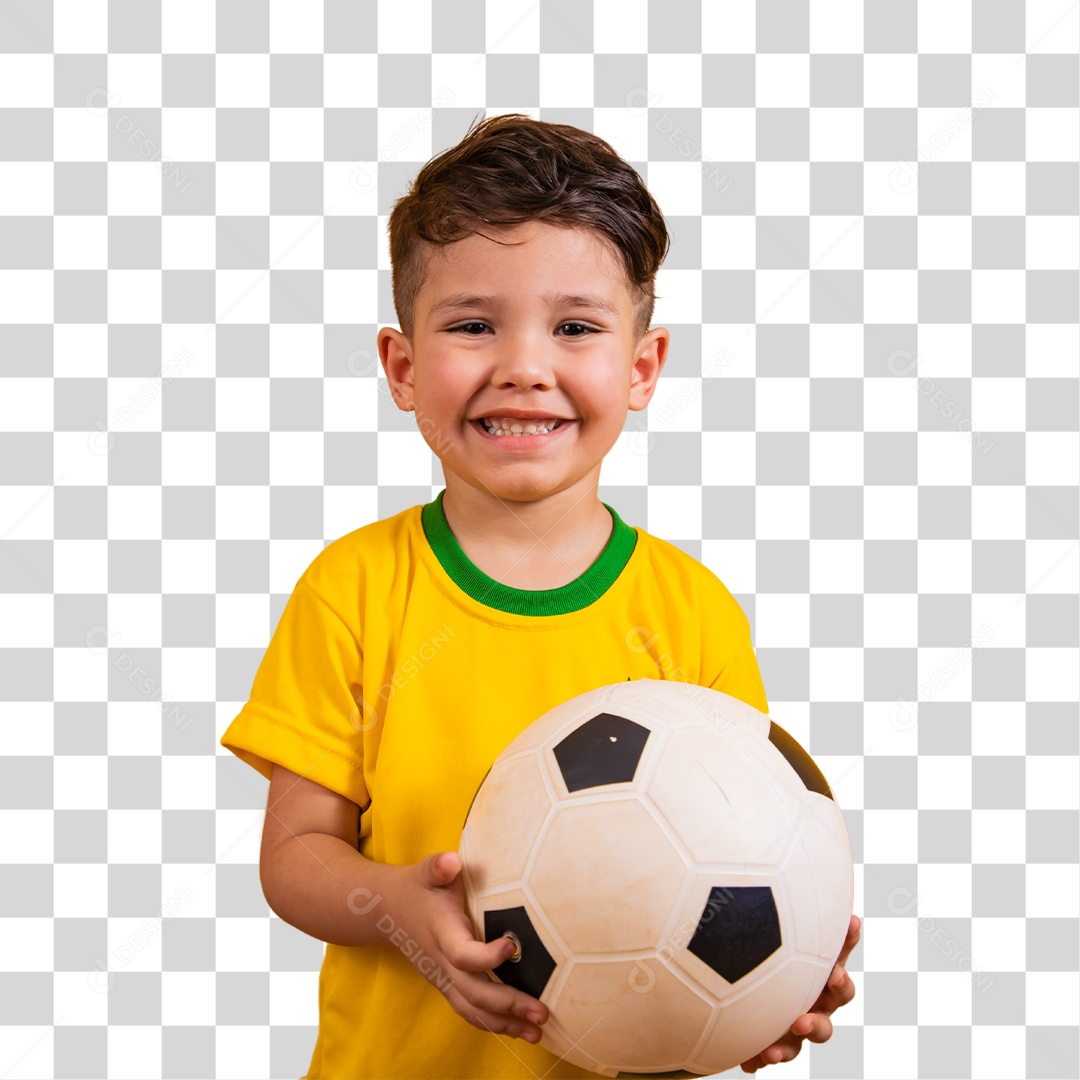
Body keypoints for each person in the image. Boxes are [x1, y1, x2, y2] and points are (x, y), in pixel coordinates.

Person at [220, 112, 860, 1080]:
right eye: (474, 325)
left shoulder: (691, 612)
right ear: (401, 366)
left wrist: (758, 993)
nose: (523, 366)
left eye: (574, 327)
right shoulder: (353, 591)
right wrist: (393, 904)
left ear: (642, 367)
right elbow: (295, 854)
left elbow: (742, 854)